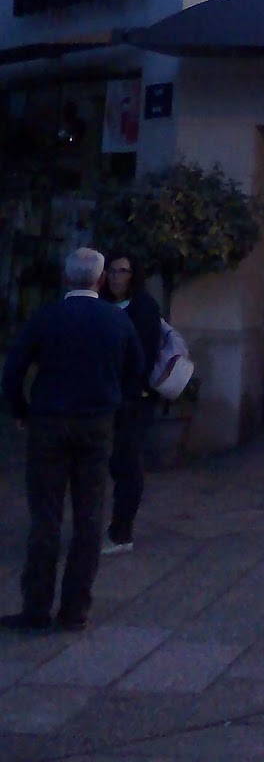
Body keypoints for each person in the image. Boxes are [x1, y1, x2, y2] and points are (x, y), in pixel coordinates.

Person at [1, 247, 143, 633]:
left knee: (45, 516)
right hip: (96, 423)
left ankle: (36, 606)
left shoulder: (48, 317)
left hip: (49, 420)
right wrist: (116, 404)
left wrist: (20, 410)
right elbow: (136, 372)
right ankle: (75, 608)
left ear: (66, 279)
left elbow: (13, 368)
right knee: (89, 514)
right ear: (99, 280)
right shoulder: (116, 321)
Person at [100, 251, 162, 555]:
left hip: (132, 397)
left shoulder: (144, 308)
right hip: (103, 395)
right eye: (112, 271)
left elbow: (145, 355)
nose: (116, 277)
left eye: (123, 271)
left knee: (127, 463)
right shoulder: (101, 305)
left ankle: (121, 531)